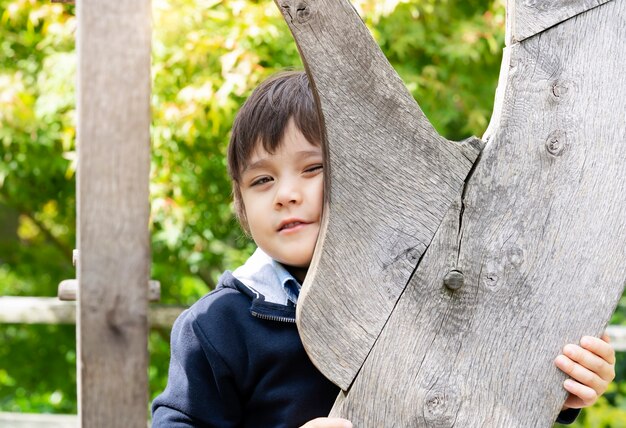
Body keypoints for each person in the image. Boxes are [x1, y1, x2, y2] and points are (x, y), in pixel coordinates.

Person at [151, 71, 616, 427]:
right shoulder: (218, 328)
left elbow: (475, 392)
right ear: (241, 203)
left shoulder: (426, 295)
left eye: (312, 169)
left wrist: (557, 387)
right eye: (262, 179)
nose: (285, 194)